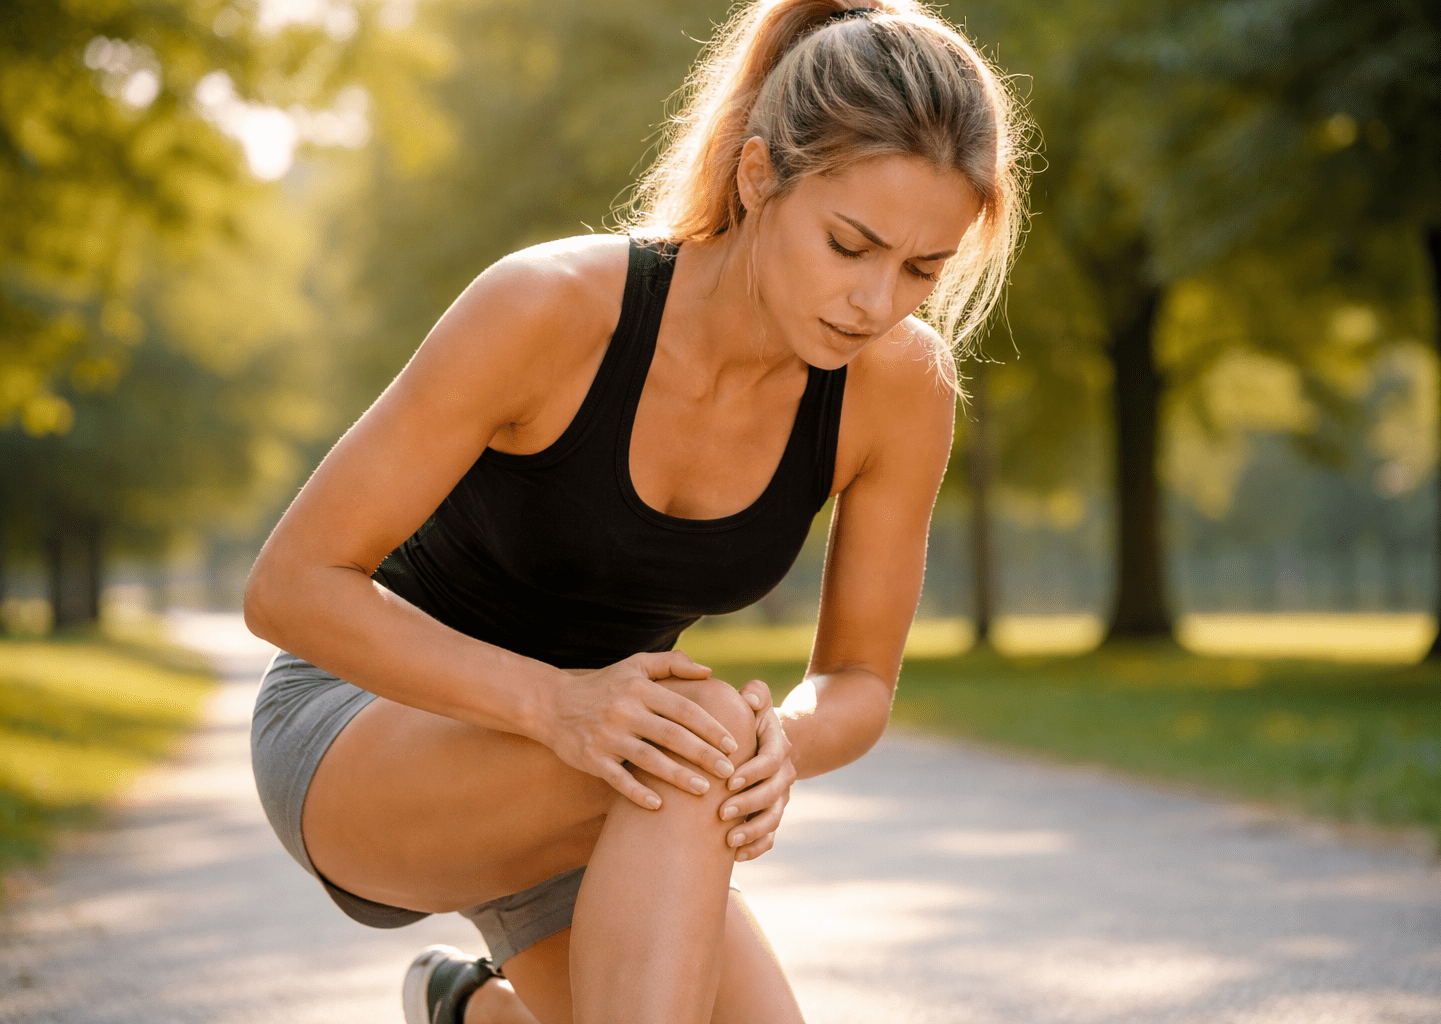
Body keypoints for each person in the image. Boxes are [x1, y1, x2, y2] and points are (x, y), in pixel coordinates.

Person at [243, 1, 1029, 1021]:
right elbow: (289, 588)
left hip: (619, 766)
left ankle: (469, 1015)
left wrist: (782, 739)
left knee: (703, 741)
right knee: (692, 735)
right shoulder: (550, 308)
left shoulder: (898, 388)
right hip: (366, 732)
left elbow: (857, 678)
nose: (877, 302)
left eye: (923, 269)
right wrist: (556, 706)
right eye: (851, 246)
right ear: (758, 179)